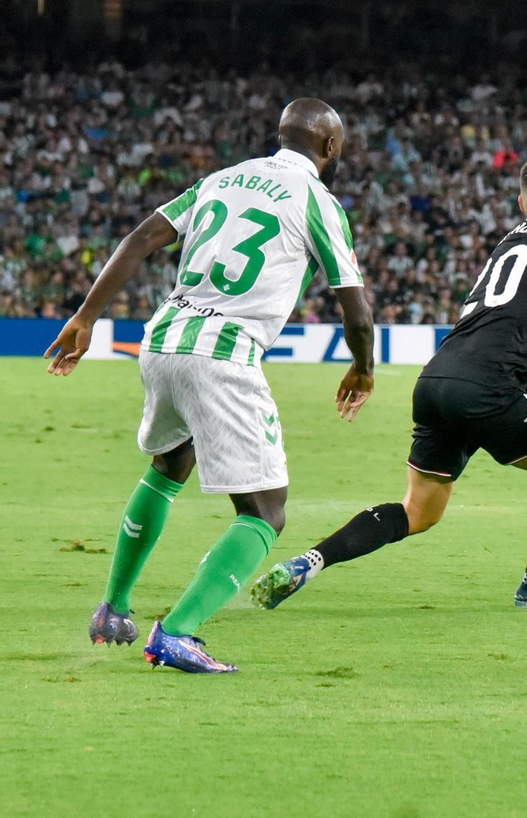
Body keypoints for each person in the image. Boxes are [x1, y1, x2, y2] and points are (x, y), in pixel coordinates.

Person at [250, 155, 527, 612]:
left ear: (521, 200)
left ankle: (310, 562)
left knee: (418, 512)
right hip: (490, 386)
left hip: (435, 381)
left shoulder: (511, 250)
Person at [48, 98, 374, 673]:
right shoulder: (317, 200)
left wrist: (86, 315)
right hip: (222, 353)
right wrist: (363, 367)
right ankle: (177, 631)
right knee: (266, 512)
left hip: (163, 337)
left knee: (170, 465)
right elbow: (355, 307)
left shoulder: (220, 179)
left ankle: (113, 608)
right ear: (329, 149)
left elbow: (143, 237)